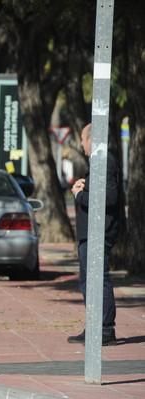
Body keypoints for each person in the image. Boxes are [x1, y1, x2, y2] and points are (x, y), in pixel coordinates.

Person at [67, 123, 121, 346]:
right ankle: (95, 326)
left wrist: (80, 195)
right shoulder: (98, 162)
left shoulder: (104, 160)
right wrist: (85, 184)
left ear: (92, 139)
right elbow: (99, 190)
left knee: (98, 279)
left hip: (98, 232)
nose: (81, 143)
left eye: (82, 138)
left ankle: (105, 329)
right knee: (89, 281)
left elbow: (108, 198)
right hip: (90, 233)